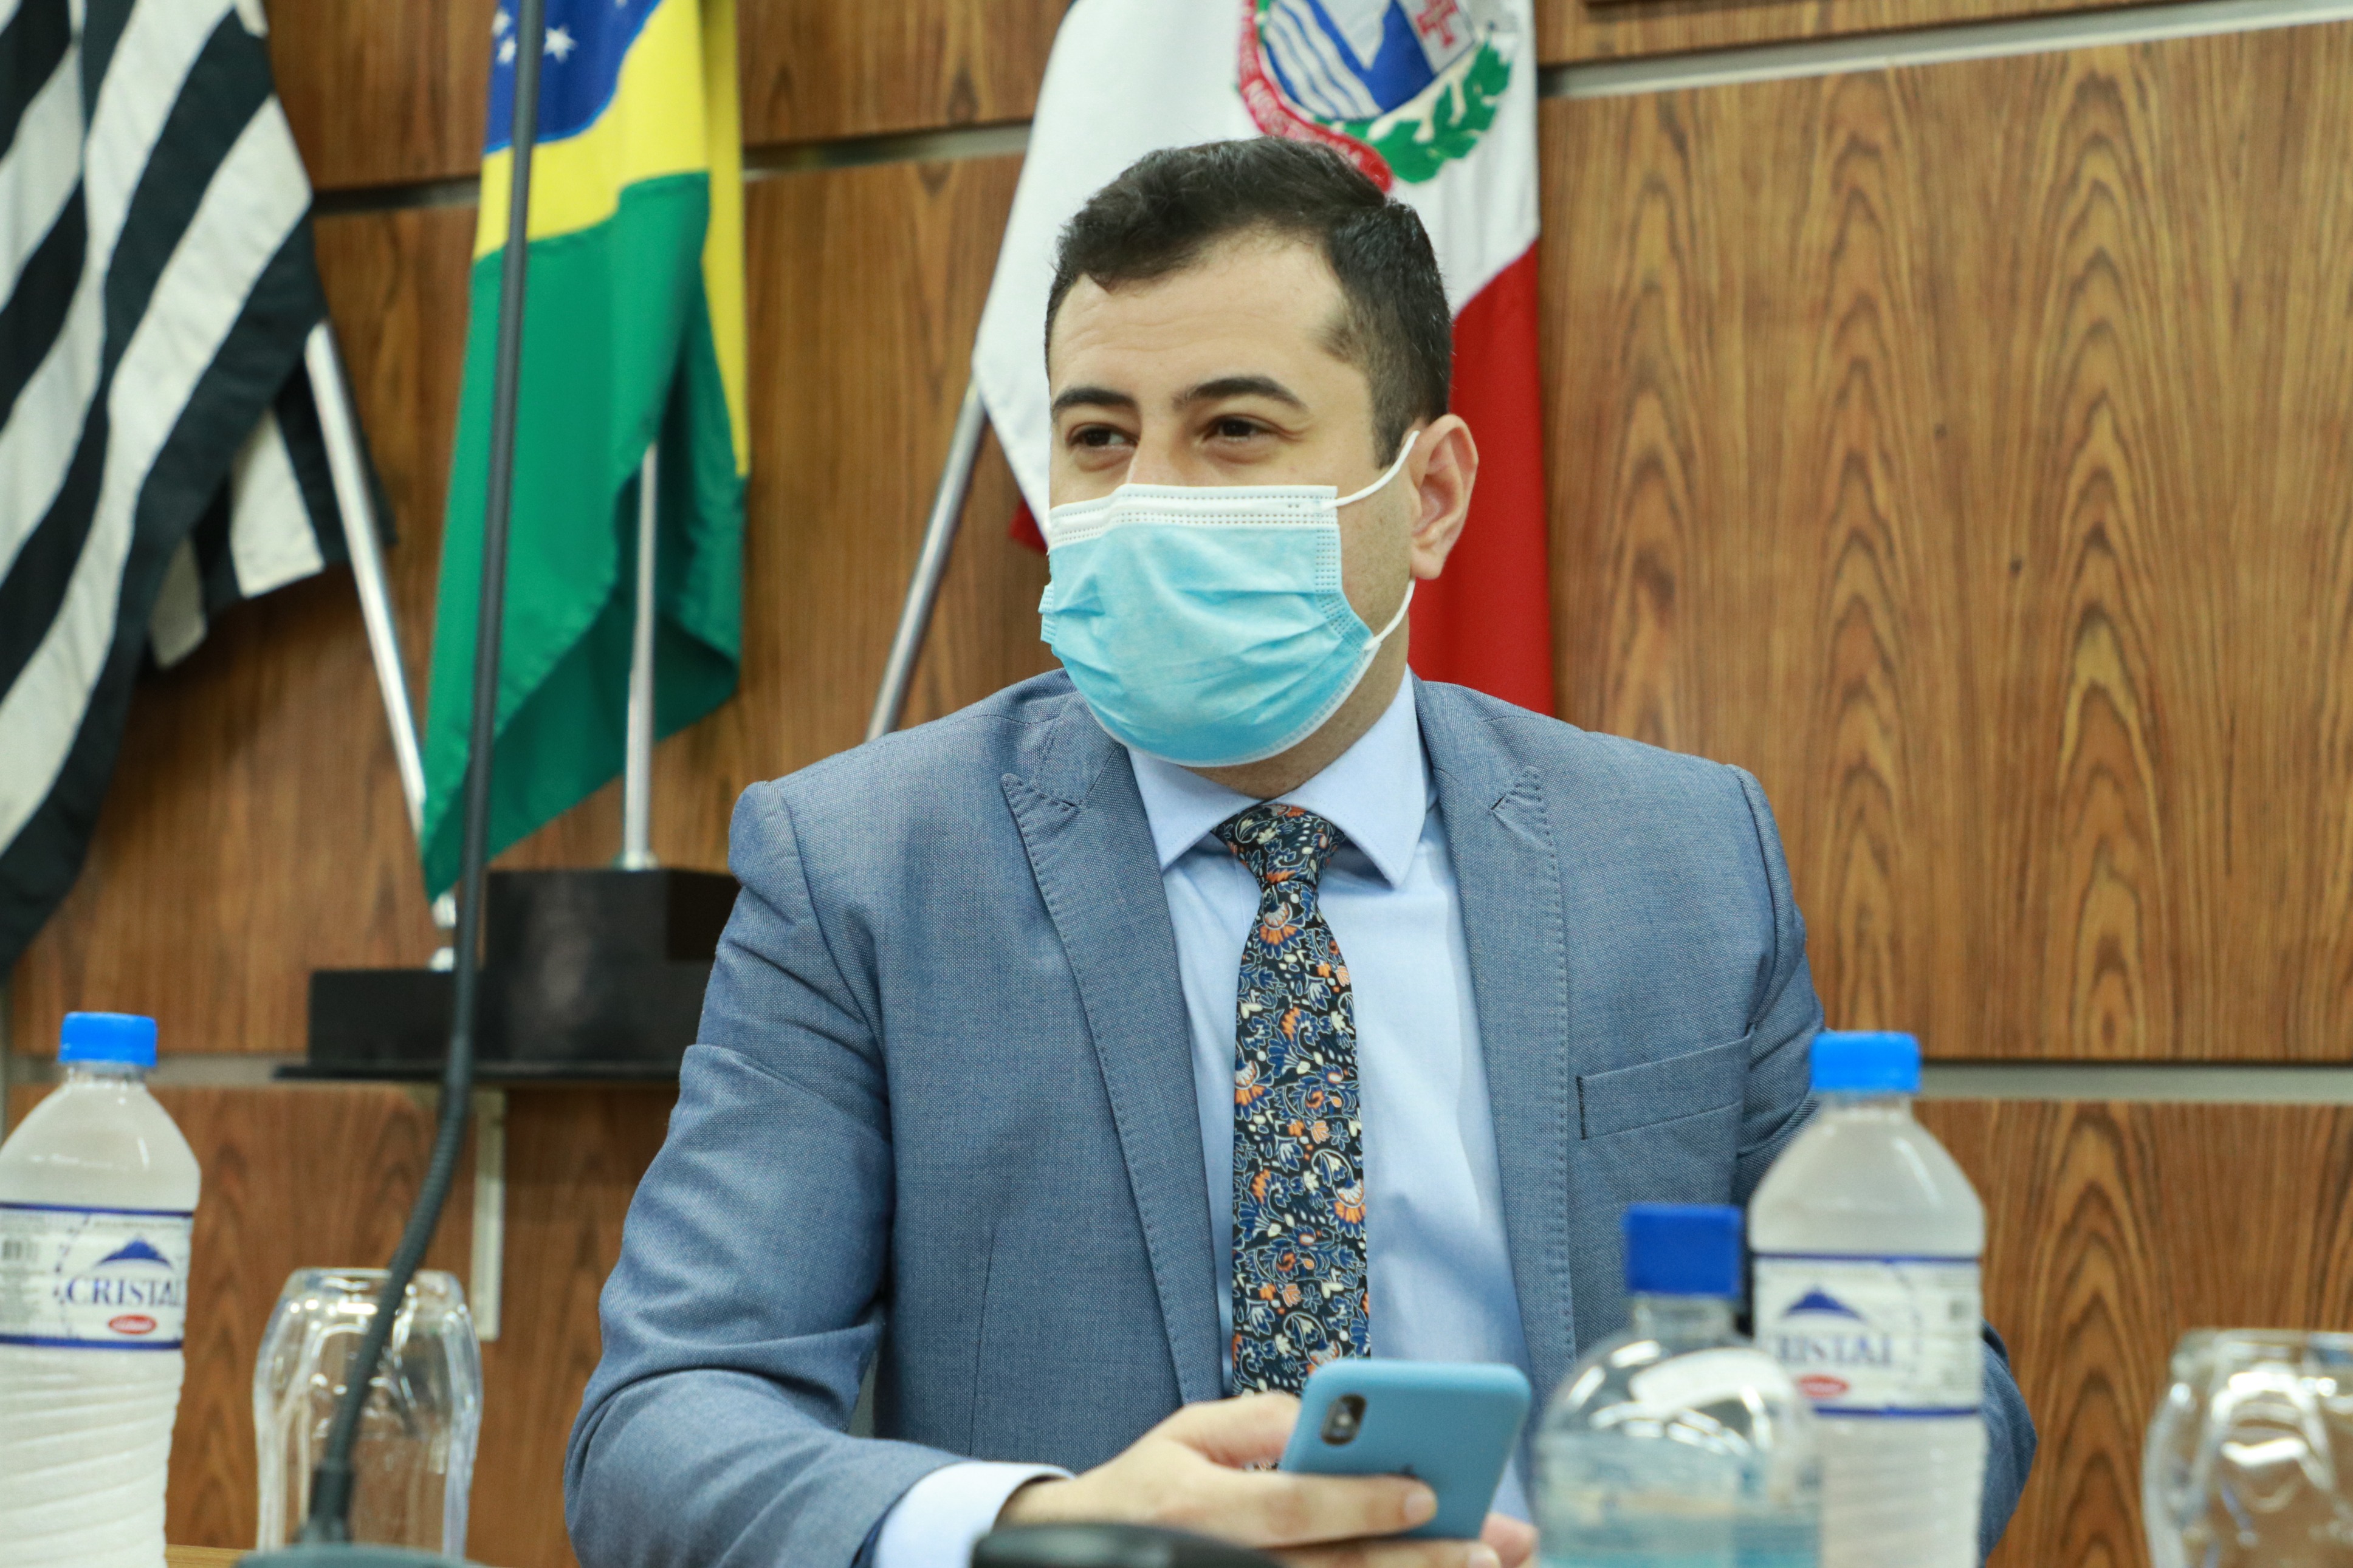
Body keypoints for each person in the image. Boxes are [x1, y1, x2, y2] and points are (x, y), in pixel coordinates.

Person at [566, 137, 2034, 1568]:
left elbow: (1930, 1382)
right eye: (1098, 438)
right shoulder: (863, 870)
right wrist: (1048, 1531)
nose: (1147, 498)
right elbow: (665, 1424)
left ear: (1430, 495)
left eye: (1234, 430)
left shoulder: (1682, 860)